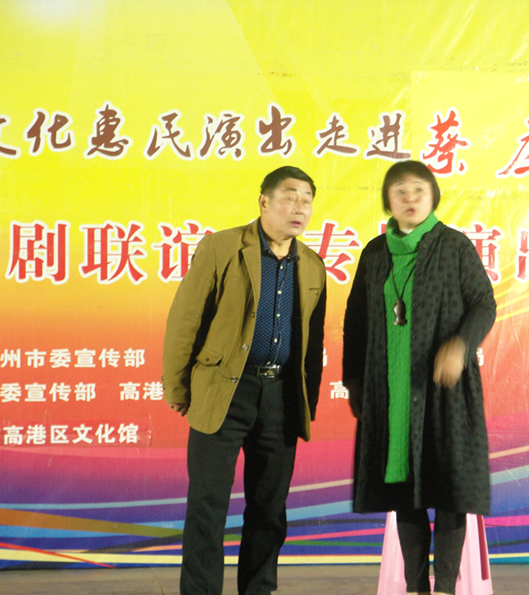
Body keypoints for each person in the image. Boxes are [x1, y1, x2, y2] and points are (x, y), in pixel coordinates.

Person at [163, 166, 327, 595]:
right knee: (208, 506)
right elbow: (185, 320)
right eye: (289, 197)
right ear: (264, 202)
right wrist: (177, 387)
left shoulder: (312, 265)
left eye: (306, 200)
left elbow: (312, 341)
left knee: (269, 509)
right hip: (224, 391)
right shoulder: (222, 248)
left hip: (281, 398)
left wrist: (306, 403)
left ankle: (259, 589)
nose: (299, 208)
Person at [343, 161, 496, 595]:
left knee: (449, 490)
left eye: (418, 190)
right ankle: (415, 588)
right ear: (387, 201)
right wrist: (355, 382)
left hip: (444, 390)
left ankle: (444, 587)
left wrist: (461, 345)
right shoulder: (375, 253)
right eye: (400, 191)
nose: (409, 198)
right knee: (402, 491)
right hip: (390, 390)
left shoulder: (454, 246)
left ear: (433, 197)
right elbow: (355, 321)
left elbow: (483, 304)